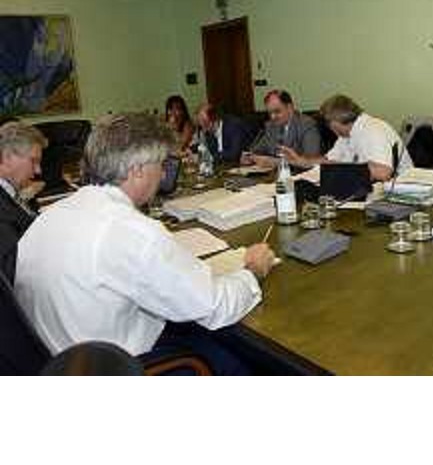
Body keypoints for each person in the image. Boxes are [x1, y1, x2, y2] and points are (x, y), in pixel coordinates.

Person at [16, 112, 275, 375]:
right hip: (115, 369)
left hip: (61, 363)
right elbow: (216, 307)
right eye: (161, 164)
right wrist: (253, 271)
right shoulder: (133, 233)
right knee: (244, 363)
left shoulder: (49, 217)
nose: (163, 174)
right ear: (138, 170)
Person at [281, 94, 413, 182]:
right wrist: (300, 161)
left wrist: (341, 167)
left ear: (335, 120)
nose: (329, 127)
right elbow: (329, 161)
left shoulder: (372, 130)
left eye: (328, 122)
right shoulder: (347, 134)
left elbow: (383, 173)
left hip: (400, 191)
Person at [0, 121, 47, 284]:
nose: (38, 170)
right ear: (7, 157)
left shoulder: (13, 192)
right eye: (33, 161)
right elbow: (13, 270)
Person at [242, 90, 322, 168]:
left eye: (277, 111)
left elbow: (311, 159)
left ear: (290, 108)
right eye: (270, 113)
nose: (273, 117)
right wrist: (249, 157)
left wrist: (276, 162)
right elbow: (257, 150)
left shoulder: (307, 124)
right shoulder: (271, 126)